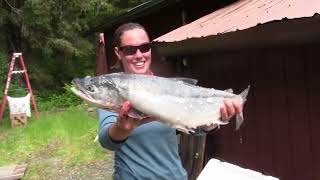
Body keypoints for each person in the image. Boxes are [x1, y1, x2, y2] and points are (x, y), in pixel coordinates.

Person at [97, 22, 243, 180]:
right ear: (118, 52)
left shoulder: (169, 87)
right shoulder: (114, 89)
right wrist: (122, 128)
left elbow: (193, 128)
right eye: (130, 50)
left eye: (145, 47)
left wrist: (214, 120)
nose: (139, 55)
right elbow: (107, 141)